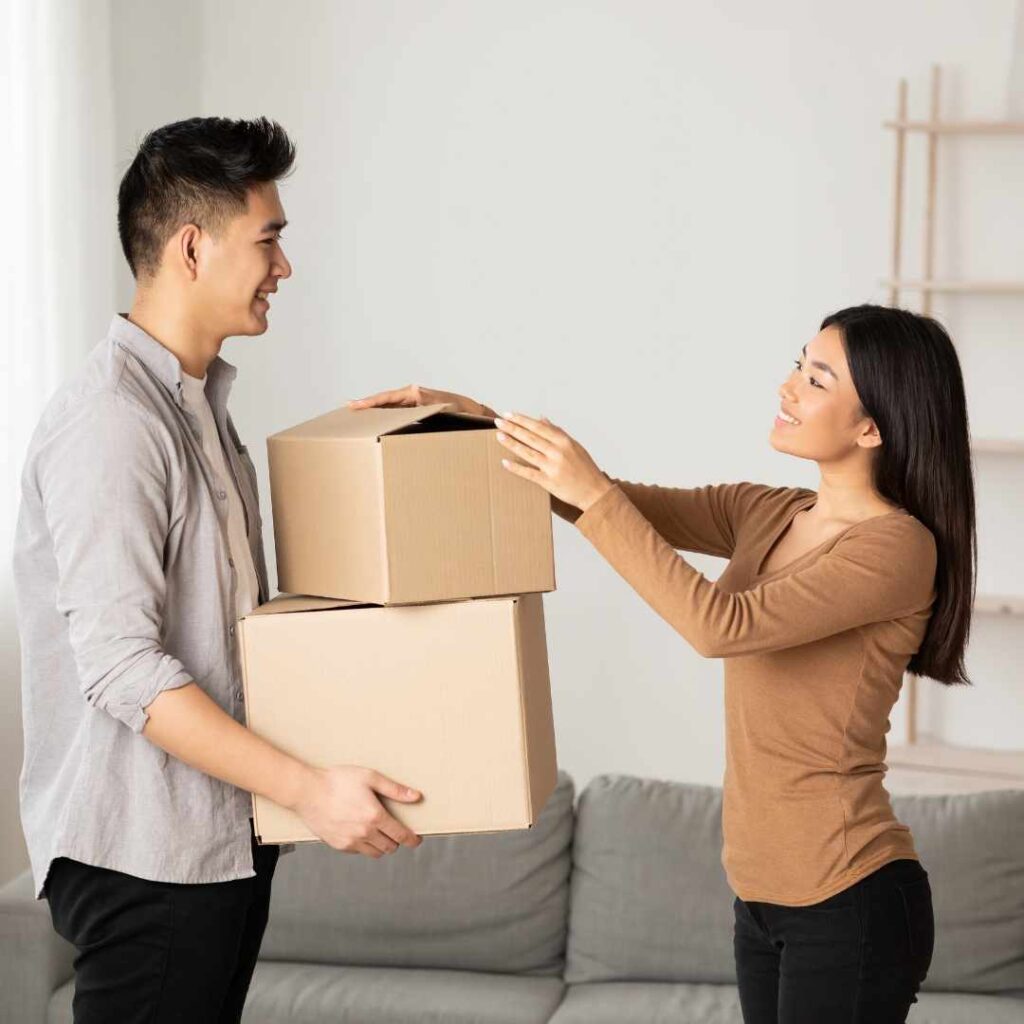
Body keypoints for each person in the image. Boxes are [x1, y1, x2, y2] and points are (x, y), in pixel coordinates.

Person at [349, 303, 976, 1023]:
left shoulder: (896, 548)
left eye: (816, 380)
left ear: (872, 428)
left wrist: (592, 492)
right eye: (797, 365)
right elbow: (610, 504)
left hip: (849, 897)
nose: (787, 388)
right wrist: (483, 426)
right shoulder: (766, 511)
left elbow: (720, 626)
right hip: (760, 898)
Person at [13, 116, 423, 1024]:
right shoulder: (114, 422)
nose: (285, 267)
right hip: (146, 854)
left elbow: (232, 638)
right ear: (193, 248)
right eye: (268, 239)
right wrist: (309, 790)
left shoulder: (200, 408)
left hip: (218, 839)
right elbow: (122, 666)